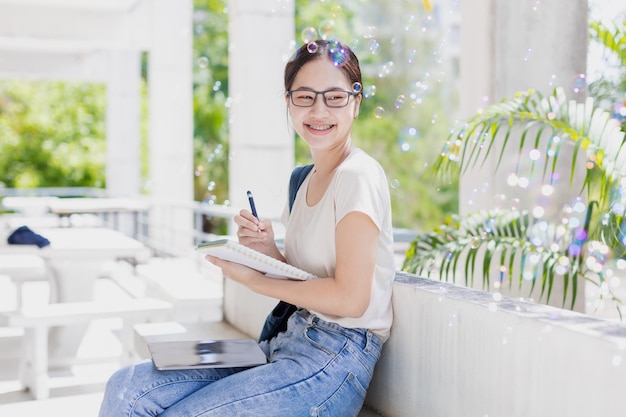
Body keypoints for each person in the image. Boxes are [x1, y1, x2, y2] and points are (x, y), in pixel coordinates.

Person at [98, 39, 395, 417]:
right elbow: (308, 279)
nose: (319, 110)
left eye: (334, 97)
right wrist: (268, 251)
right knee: (127, 388)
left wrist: (254, 280)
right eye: (305, 96)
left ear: (356, 101)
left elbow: (352, 299)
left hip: (333, 359)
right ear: (288, 102)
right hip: (288, 341)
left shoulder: (358, 176)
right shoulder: (304, 180)